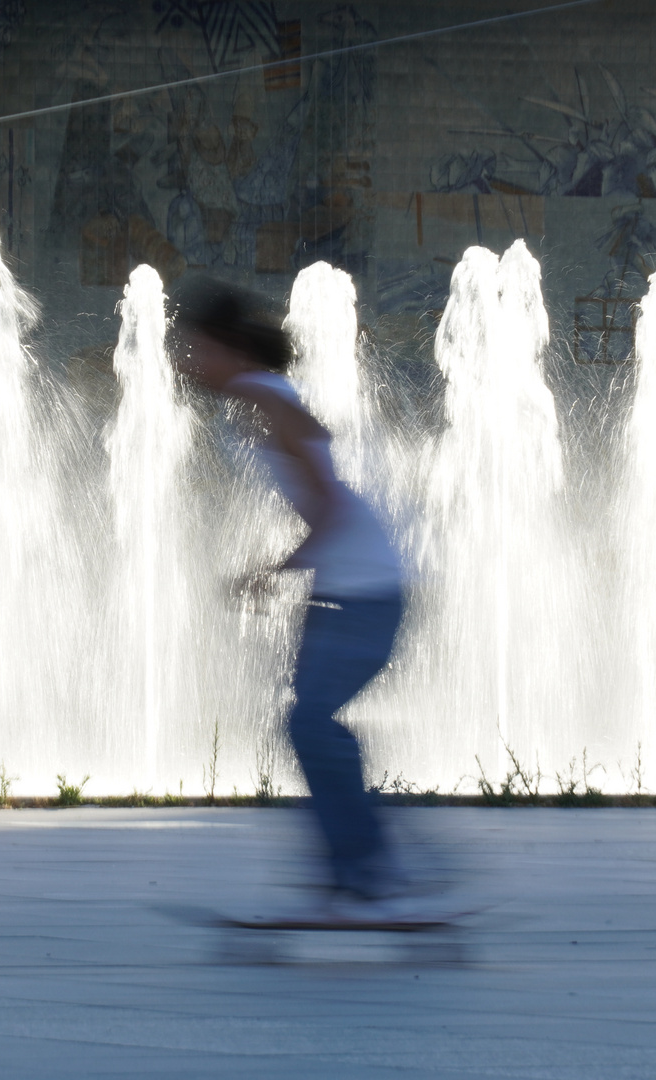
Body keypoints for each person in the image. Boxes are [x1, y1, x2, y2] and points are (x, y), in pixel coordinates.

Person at [172, 278, 410, 918]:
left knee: (310, 723)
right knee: (311, 724)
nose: (187, 362)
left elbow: (330, 507)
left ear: (228, 351)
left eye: (196, 349)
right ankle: (360, 868)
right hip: (343, 589)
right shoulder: (258, 400)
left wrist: (272, 572)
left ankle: (371, 868)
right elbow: (321, 465)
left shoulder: (262, 397)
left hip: (367, 587)